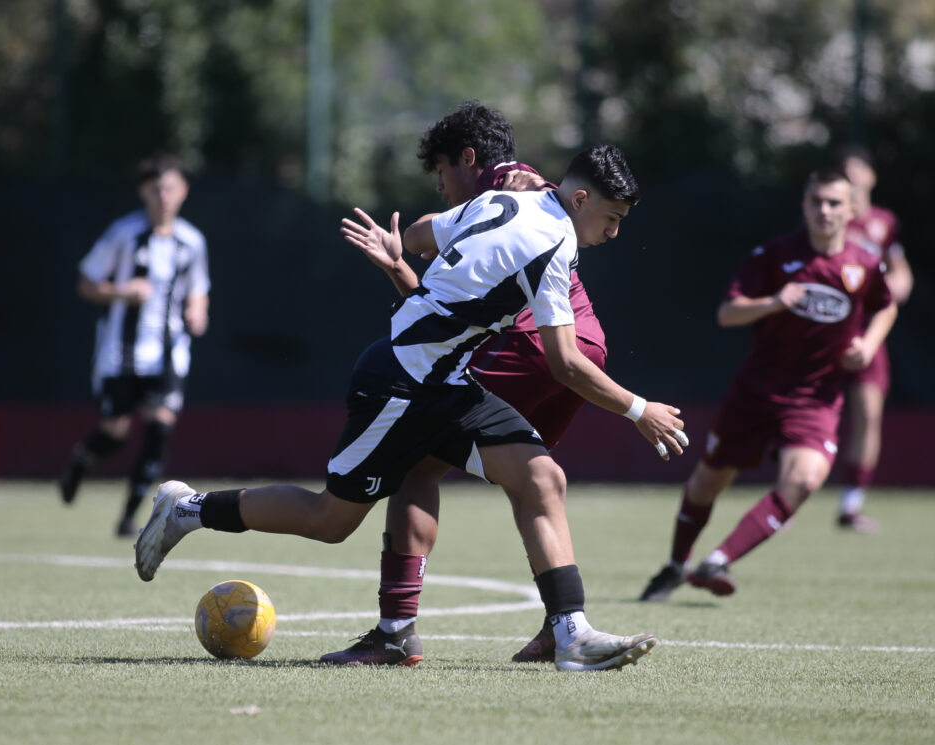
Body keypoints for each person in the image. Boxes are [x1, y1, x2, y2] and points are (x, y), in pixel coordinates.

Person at [134, 144, 689, 672]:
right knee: (330, 521)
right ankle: (188, 508)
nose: (614, 234)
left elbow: (425, 232)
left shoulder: (505, 199)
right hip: (400, 383)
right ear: (582, 200)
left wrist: (404, 253)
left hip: (446, 382)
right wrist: (641, 410)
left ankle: (571, 633)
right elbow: (565, 363)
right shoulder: (554, 243)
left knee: (541, 478)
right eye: (612, 219)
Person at [321, 102, 633, 668]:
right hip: (584, 342)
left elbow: (426, 250)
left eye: (440, 173)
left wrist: (638, 410)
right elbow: (443, 297)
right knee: (540, 478)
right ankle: (563, 626)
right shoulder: (532, 194)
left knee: (417, 465)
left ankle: (396, 629)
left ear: (468, 160)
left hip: (531, 345)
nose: (440, 187)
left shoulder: (501, 188)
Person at [637, 166, 897, 602]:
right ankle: (675, 566)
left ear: (851, 210)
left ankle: (718, 561)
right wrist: (774, 302)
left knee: (807, 477)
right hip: (756, 394)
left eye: (835, 203)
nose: (825, 211)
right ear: (804, 206)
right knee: (707, 482)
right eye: (816, 201)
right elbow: (727, 313)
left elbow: (884, 306)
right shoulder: (774, 256)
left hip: (815, 399)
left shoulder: (865, 263)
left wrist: (868, 344)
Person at [58, 154, 210, 537]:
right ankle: (82, 458)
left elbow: (199, 291)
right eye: (156, 189)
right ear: (143, 191)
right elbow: (86, 283)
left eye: (170, 188)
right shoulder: (123, 235)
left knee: (160, 428)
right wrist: (124, 292)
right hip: (120, 354)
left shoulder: (191, 242)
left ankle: (130, 517)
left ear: (183, 192)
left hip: (169, 354)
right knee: (114, 433)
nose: (163, 196)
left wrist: (197, 312)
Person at [832, 144, 913, 533]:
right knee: (800, 409)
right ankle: (784, 495)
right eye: (845, 174)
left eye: (857, 172)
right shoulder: (830, 217)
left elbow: (900, 271)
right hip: (827, 329)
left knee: (869, 414)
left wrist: (898, 286)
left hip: (868, 332)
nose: (852, 180)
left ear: (871, 177)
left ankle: (851, 505)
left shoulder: (885, 222)